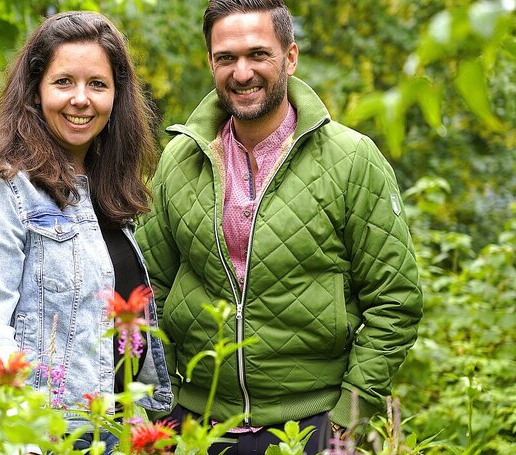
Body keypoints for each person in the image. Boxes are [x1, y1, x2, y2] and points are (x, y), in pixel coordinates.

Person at [135, 0, 423, 453]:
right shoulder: (179, 160)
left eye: (258, 54)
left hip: (310, 424)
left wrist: (349, 415)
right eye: (226, 58)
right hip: (197, 424)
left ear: (289, 57)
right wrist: (164, 406)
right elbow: (150, 291)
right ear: (210, 62)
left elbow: (394, 301)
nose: (242, 72)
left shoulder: (352, 160)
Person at [0, 11, 172, 453]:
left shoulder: (106, 194)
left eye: (98, 85)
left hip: (99, 429)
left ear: (116, 98)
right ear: (35, 91)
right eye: (64, 82)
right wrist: (28, 434)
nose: (81, 99)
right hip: (15, 435)